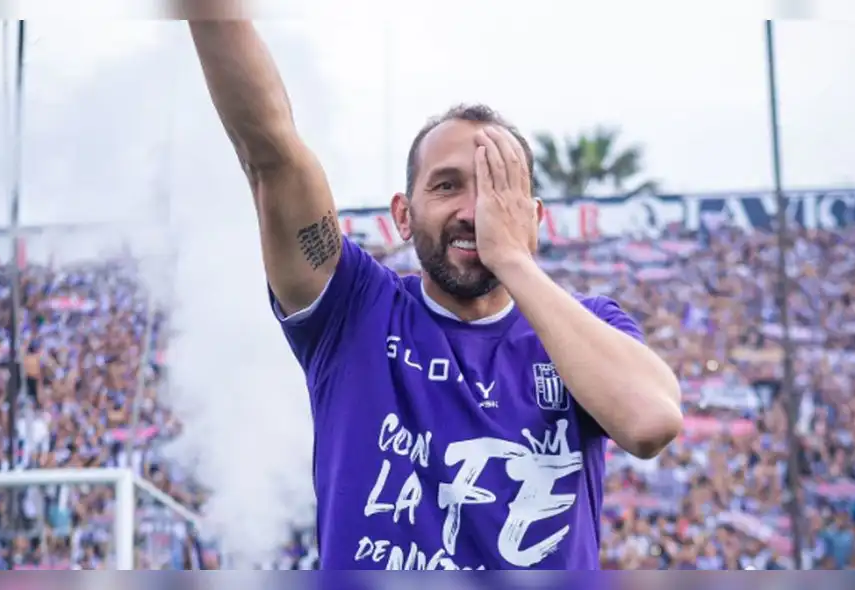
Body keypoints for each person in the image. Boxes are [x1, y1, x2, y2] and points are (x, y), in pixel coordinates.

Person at [188, 19, 683, 570]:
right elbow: (271, 151)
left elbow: (651, 423)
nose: (474, 212)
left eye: (498, 191)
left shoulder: (589, 326)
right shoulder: (355, 312)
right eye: (447, 186)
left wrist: (513, 258)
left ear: (532, 218)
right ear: (404, 215)